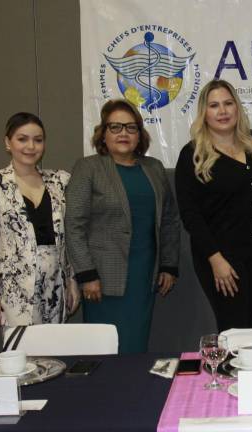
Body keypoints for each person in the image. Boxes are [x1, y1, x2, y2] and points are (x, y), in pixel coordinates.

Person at [65, 99, 180, 353]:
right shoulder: (88, 168)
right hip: (101, 282)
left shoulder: (154, 168)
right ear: (103, 134)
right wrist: (87, 274)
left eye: (131, 127)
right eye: (115, 127)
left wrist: (169, 265)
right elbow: (74, 225)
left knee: (135, 344)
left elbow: (170, 220)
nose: (124, 134)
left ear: (140, 135)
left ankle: (132, 391)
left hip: (144, 276)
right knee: (104, 350)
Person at [175, 80, 252, 332]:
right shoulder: (193, 154)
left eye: (228, 103)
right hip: (222, 260)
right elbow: (190, 215)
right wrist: (215, 259)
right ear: (204, 113)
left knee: (249, 326)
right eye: (214, 105)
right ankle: (226, 373)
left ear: (237, 108)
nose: (222, 111)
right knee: (234, 328)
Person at [0, 112, 79, 327]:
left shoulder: (60, 182)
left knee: (54, 357)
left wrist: (71, 281)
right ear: (8, 142)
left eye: (38, 140)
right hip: (13, 292)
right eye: (22, 139)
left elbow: (70, 237)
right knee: (21, 358)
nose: (31, 146)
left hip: (55, 287)